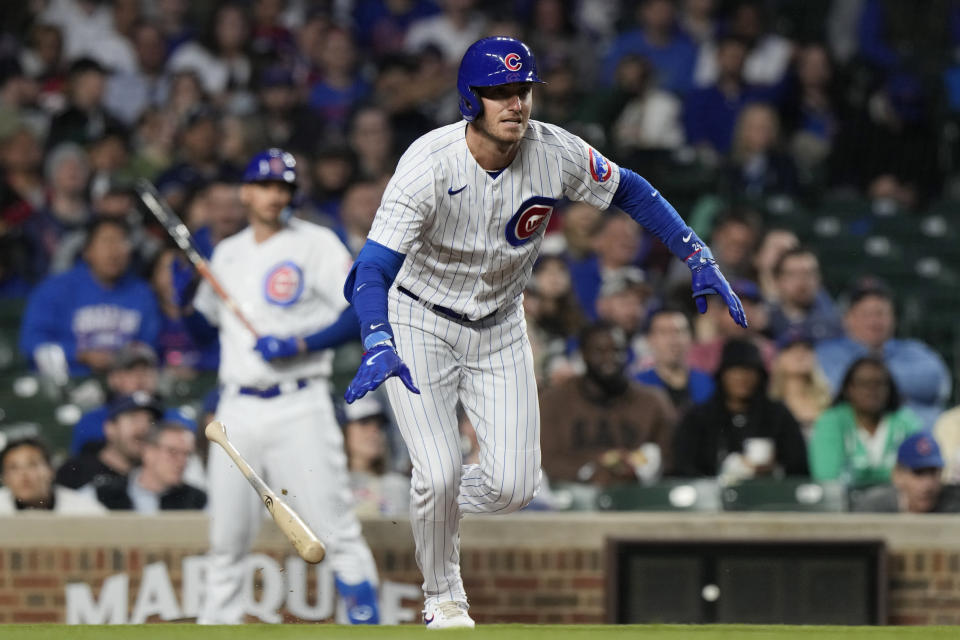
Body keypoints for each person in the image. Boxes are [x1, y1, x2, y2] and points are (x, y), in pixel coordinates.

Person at [339, 37, 746, 628]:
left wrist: (695, 251)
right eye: (500, 92)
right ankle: (443, 597)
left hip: (501, 324)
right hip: (418, 320)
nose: (516, 103)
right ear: (469, 100)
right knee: (439, 469)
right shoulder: (428, 163)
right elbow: (372, 267)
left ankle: (432, 502)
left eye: (523, 89)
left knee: (514, 487)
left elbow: (629, 186)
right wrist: (377, 335)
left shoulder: (552, 151)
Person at [176, 148, 380, 625]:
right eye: (266, 185)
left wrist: (299, 343)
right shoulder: (228, 252)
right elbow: (205, 333)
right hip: (236, 411)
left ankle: (370, 630)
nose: (275, 195)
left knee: (335, 531)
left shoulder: (316, 243)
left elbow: (357, 312)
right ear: (246, 192)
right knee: (226, 542)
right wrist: (186, 300)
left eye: (284, 187)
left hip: (299, 402)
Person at [19, 217, 161, 377]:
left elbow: (150, 346)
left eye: (122, 242)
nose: (114, 251)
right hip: (69, 381)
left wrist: (126, 359)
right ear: (87, 251)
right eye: (106, 242)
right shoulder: (55, 289)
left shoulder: (142, 292)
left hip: (125, 385)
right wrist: (81, 354)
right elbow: (31, 343)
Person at [540, 322, 677, 486]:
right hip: (570, 501)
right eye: (599, 351)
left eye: (617, 351)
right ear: (583, 354)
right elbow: (545, 460)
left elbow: (670, 456)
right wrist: (589, 471)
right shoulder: (554, 401)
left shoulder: (653, 402)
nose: (610, 358)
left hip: (639, 497)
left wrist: (640, 469)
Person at [815, 281, 951, 429]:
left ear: (893, 318)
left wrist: (871, 380)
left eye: (881, 313)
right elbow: (833, 388)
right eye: (866, 314)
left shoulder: (912, 350)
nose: (874, 321)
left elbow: (936, 382)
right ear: (847, 319)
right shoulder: (828, 353)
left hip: (927, 437)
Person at [672, 338, 809, 479]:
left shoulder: (778, 415)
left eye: (749, 371)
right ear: (723, 375)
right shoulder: (698, 418)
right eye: (734, 370)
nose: (741, 378)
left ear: (760, 376)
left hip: (768, 496)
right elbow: (683, 467)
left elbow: (799, 468)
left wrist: (775, 469)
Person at [808, 356, 922, 489]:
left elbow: (919, 476)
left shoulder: (906, 422)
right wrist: (892, 475)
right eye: (864, 383)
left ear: (889, 388)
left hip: (895, 506)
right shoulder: (831, 421)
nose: (871, 390)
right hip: (843, 507)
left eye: (879, 383)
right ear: (849, 388)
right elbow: (827, 477)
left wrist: (859, 474)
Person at [56, 392, 164, 489]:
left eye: (150, 421)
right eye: (133, 418)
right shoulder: (75, 472)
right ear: (110, 428)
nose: (143, 427)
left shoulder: (160, 476)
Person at [93, 421, 207, 512]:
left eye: (187, 454)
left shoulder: (199, 501)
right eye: (172, 452)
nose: (182, 461)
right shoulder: (103, 494)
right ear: (148, 452)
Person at [851, 432, 960, 513]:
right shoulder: (874, 508)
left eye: (933, 472)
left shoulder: (954, 503)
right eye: (918, 473)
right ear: (897, 475)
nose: (928, 484)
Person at [635, 307, 714, 415]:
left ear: (691, 337)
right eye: (664, 332)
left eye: (679, 331)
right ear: (650, 339)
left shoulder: (707, 383)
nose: (673, 340)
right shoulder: (639, 385)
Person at [341, 395, 410, 518]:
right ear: (342, 431)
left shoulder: (397, 486)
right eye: (364, 423)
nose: (374, 430)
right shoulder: (330, 486)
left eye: (379, 425)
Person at [0, 437, 106, 515]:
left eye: (32, 464)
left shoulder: (83, 510)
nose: (24, 474)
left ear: (51, 470)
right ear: (4, 478)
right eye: (13, 468)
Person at [766, 247, 843, 343]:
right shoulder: (764, 320)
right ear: (778, 280)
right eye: (793, 274)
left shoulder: (835, 324)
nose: (802, 281)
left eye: (809, 273)